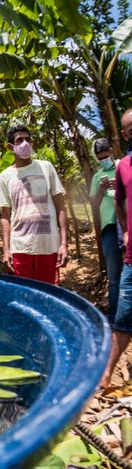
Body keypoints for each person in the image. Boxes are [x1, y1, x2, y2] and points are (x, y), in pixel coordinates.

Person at [0, 124, 68, 285]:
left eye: (28, 139)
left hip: (48, 245)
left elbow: (60, 207)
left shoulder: (46, 168)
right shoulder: (5, 176)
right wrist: (6, 249)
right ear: (10, 147)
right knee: (26, 296)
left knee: (47, 294)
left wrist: (63, 244)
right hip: (20, 247)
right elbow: (5, 216)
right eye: (19, 140)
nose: (25, 143)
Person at [109, 108, 132, 387]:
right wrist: (125, 230)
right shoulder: (122, 166)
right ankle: (106, 377)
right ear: (125, 134)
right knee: (123, 318)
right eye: (130, 128)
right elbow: (119, 201)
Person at [90, 138, 123, 325]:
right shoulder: (97, 177)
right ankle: (113, 318)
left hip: (126, 224)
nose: (104, 160)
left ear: (111, 151)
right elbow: (93, 203)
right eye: (100, 158)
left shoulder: (122, 167)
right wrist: (102, 189)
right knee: (114, 276)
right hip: (109, 227)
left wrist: (117, 185)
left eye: (106, 156)